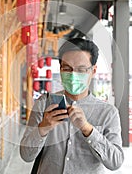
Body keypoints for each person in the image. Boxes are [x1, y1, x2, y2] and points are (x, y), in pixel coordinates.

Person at [20, 38, 124, 173]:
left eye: (81, 69)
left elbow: (115, 162)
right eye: (67, 68)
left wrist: (88, 130)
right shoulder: (44, 104)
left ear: (93, 71)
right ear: (61, 69)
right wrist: (44, 127)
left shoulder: (107, 113)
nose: (73, 75)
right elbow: (26, 155)